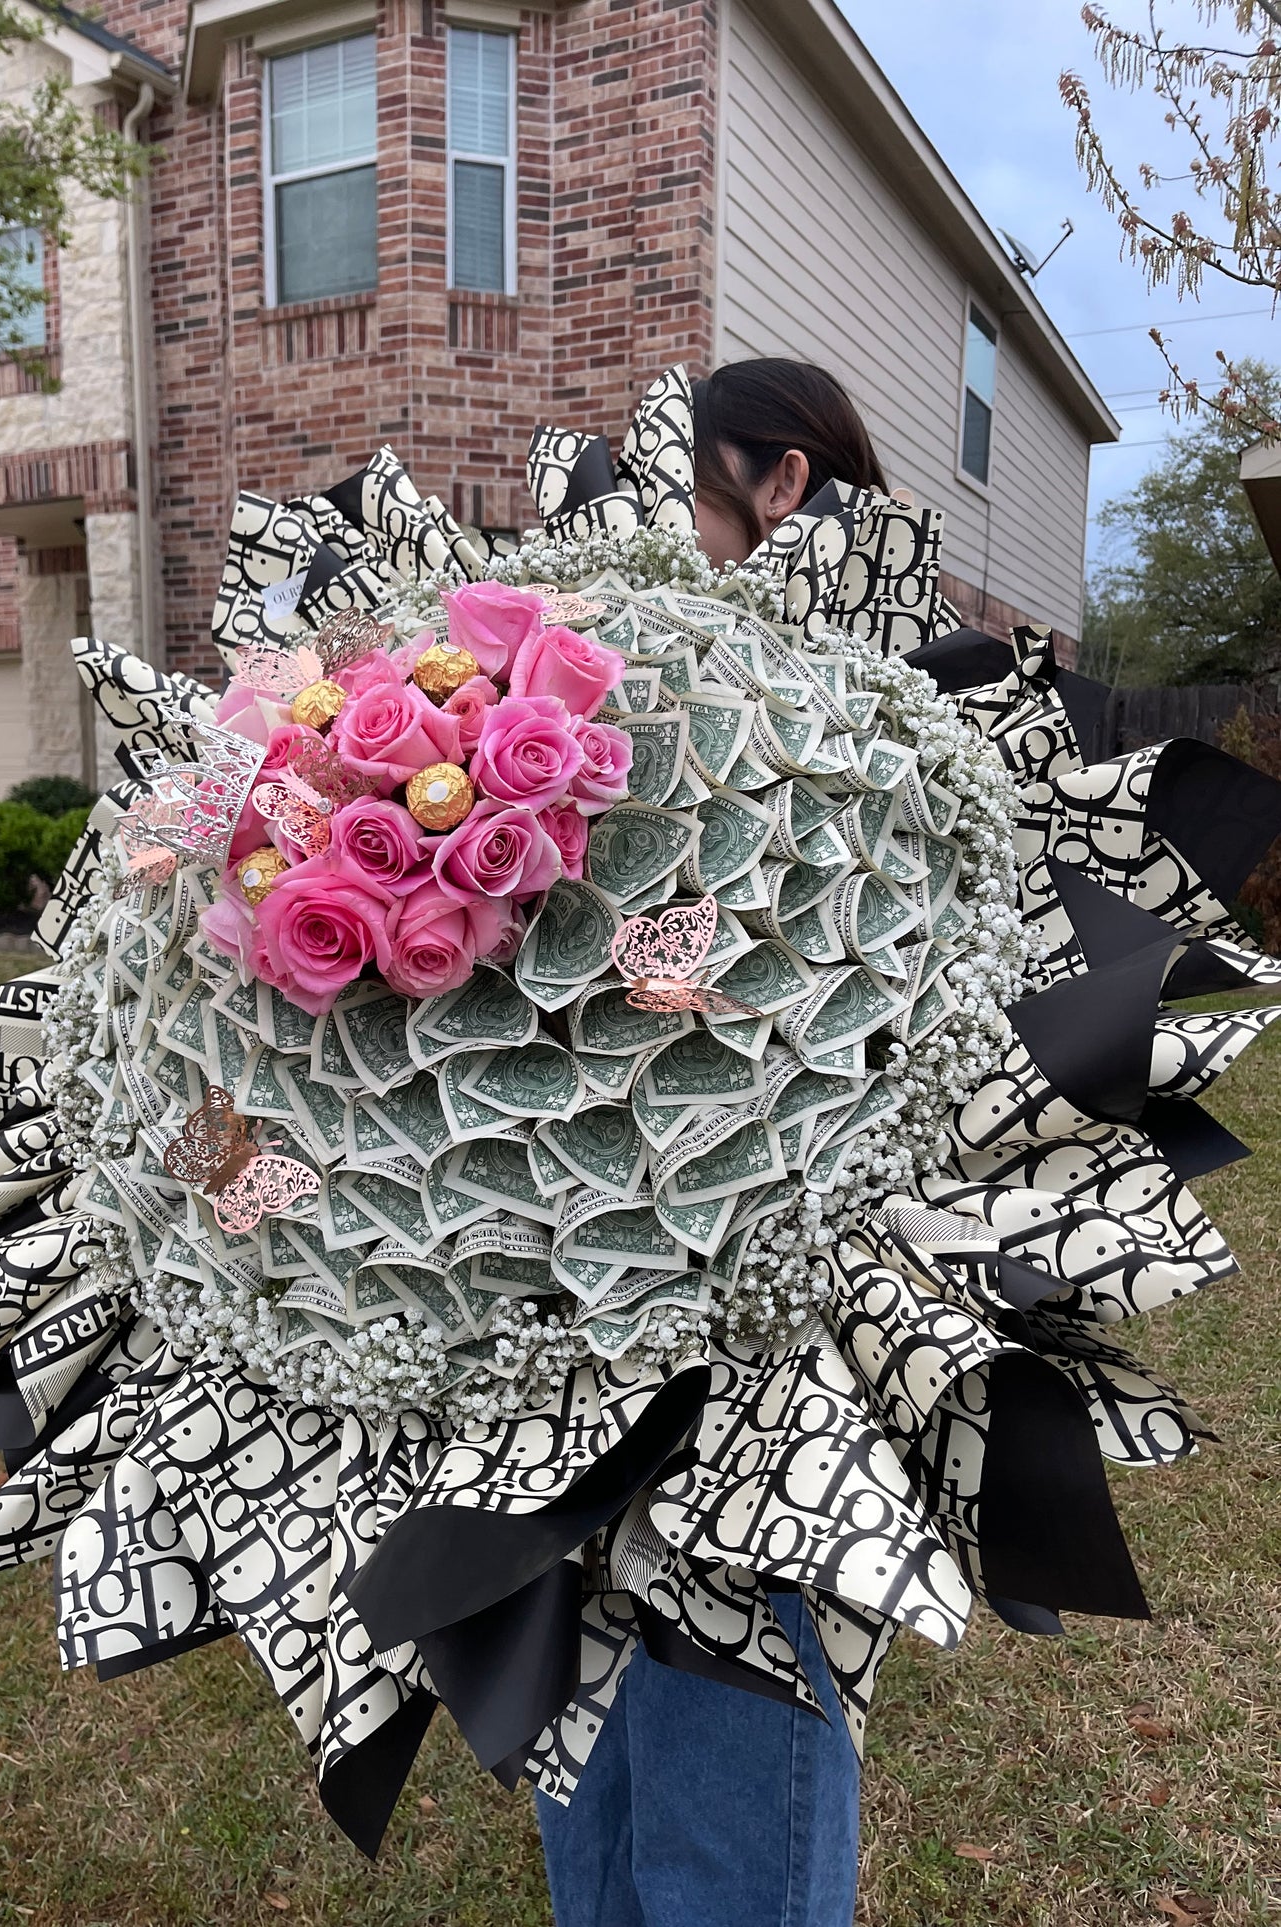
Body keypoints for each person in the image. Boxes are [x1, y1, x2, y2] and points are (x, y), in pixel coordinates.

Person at [535, 355, 889, 1927]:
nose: (629, 540)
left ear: (777, 490)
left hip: (757, 1369)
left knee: (733, 1771)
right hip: (576, 1345)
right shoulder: (651, 701)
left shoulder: (847, 733)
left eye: (666, 493)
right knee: (589, 1761)